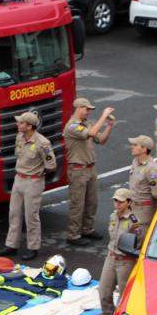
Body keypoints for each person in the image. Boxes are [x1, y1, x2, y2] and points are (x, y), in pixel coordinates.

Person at [0, 112, 57, 261]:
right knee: (14, 213)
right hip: (19, 179)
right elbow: (18, 155)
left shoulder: (42, 143)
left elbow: (51, 165)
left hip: (33, 182)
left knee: (31, 216)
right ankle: (11, 245)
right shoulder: (19, 137)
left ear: (29, 126)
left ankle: (33, 247)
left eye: (21, 123)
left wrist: (38, 173)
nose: (18, 124)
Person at [63, 97, 115, 246]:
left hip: (90, 168)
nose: (88, 112)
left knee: (92, 202)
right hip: (78, 170)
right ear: (79, 108)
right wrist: (103, 116)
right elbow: (92, 133)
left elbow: (101, 139)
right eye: (87, 109)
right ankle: (73, 235)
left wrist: (109, 126)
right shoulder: (72, 126)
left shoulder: (86, 124)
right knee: (77, 204)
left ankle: (87, 229)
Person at [93, 188, 143, 315]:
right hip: (111, 257)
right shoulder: (113, 216)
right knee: (104, 292)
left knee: (124, 297)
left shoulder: (134, 222)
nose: (117, 204)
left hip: (125, 262)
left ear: (129, 202)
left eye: (121, 201)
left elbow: (138, 243)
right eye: (115, 201)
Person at [128, 135, 157, 227]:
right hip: (133, 206)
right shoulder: (135, 161)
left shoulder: (152, 169)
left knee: (141, 233)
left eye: (135, 145)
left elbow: (156, 192)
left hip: (144, 211)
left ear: (144, 149)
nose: (132, 147)